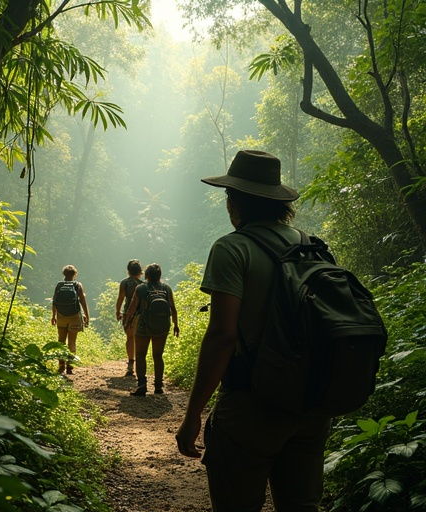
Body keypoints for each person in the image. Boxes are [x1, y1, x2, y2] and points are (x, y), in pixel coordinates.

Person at [176, 150, 332, 512]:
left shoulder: (233, 249)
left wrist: (193, 413)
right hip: (311, 403)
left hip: (252, 403)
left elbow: (223, 337)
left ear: (236, 201)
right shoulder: (313, 247)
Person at [125, 263, 179, 396]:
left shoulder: (141, 288)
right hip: (162, 326)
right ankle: (159, 386)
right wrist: (175, 325)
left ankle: (142, 385)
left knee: (141, 354)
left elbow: (132, 307)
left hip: (143, 327)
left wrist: (127, 321)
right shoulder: (166, 288)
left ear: (147, 275)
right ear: (160, 275)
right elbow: (173, 308)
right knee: (158, 356)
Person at [51, 264, 90, 375]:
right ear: (75, 274)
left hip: (61, 316)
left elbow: (54, 301)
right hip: (74, 316)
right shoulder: (77, 285)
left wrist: (53, 316)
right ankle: (69, 366)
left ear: (64, 274)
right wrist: (87, 316)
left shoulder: (59, 285)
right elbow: (82, 301)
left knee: (61, 341)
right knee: (72, 342)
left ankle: (61, 365)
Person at [115, 259, 144, 376]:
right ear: (140, 271)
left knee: (130, 337)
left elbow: (121, 298)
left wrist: (118, 311)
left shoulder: (124, 282)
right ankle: (140, 363)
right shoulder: (142, 284)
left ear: (128, 270)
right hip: (141, 313)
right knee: (140, 338)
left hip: (128, 312)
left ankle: (131, 364)